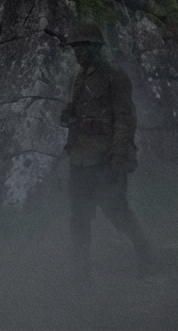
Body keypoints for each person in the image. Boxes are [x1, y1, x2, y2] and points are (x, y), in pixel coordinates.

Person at [60, 21, 153, 280]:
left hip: (105, 159)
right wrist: (68, 114)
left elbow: (125, 117)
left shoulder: (115, 77)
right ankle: (81, 273)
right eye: (75, 48)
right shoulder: (80, 78)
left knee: (117, 212)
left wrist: (119, 152)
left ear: (95, 47)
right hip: (80, 159)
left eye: (82, 47)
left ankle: (145, 252)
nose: (77, 52)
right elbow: (76, 109)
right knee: (79, 218)